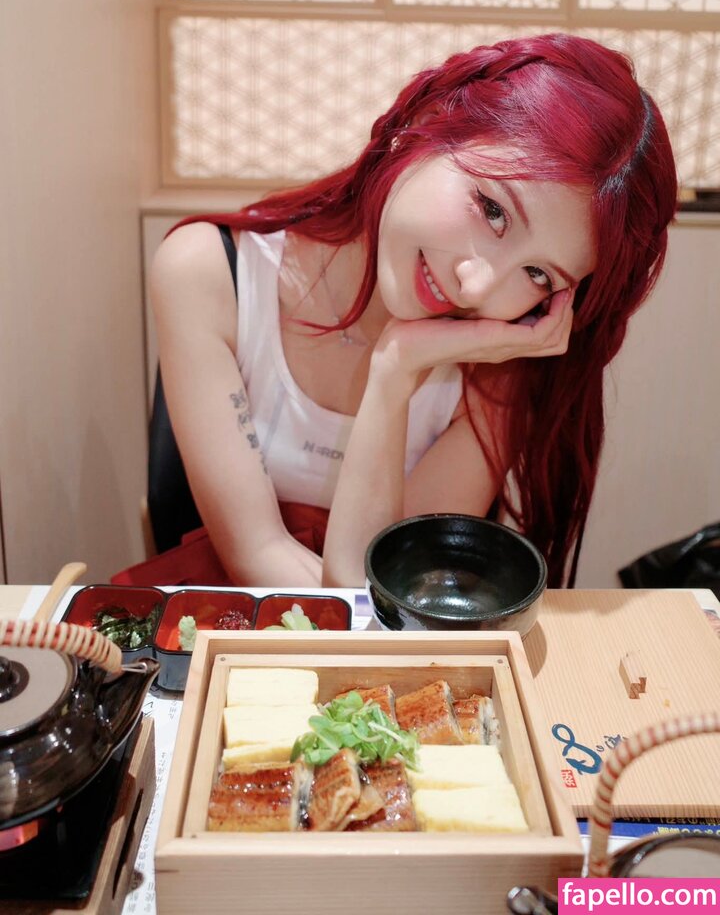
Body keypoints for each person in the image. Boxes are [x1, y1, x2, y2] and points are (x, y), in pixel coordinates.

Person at [149, 32, 677, 591]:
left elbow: (388, 591)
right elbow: (257, 553)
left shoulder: (498, 367)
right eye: (493, 210)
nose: (476, 285)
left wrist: (395, 369)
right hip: (229, 621)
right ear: (427, 124)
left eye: (538, 274)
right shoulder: (209, 273)